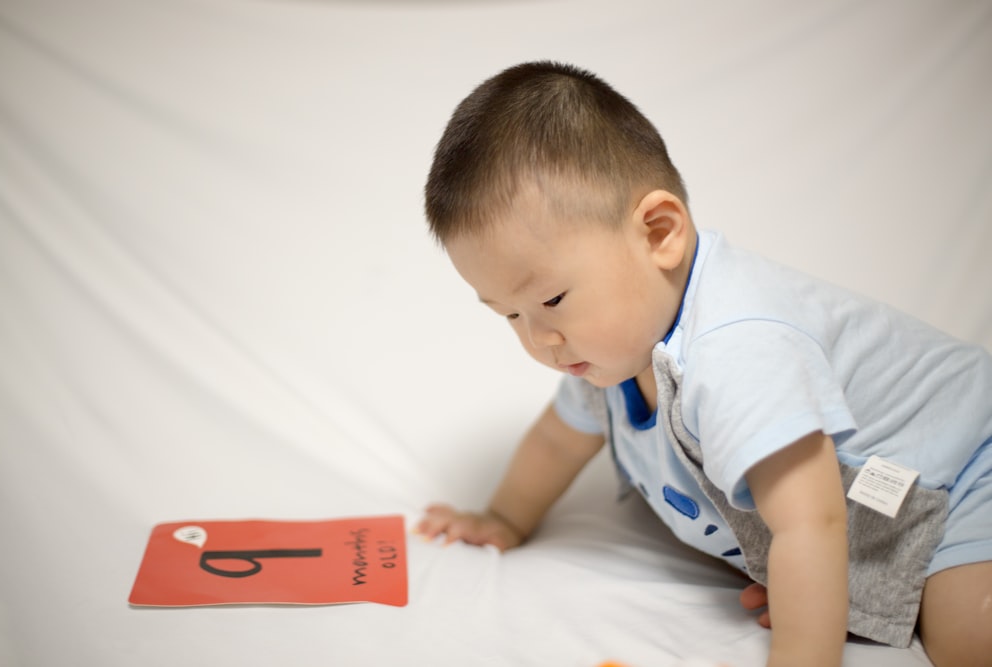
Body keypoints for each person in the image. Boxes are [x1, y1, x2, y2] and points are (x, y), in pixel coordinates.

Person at [414, 61, 992, 667]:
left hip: (966, 463)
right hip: (881, 510)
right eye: (509, 315)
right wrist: (505, 517)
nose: (540, 340)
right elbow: (559, 441)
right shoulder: (607, 351)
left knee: (969, 640)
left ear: (660, 233)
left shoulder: (736, 348)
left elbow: (810, 525)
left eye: (552, 300)